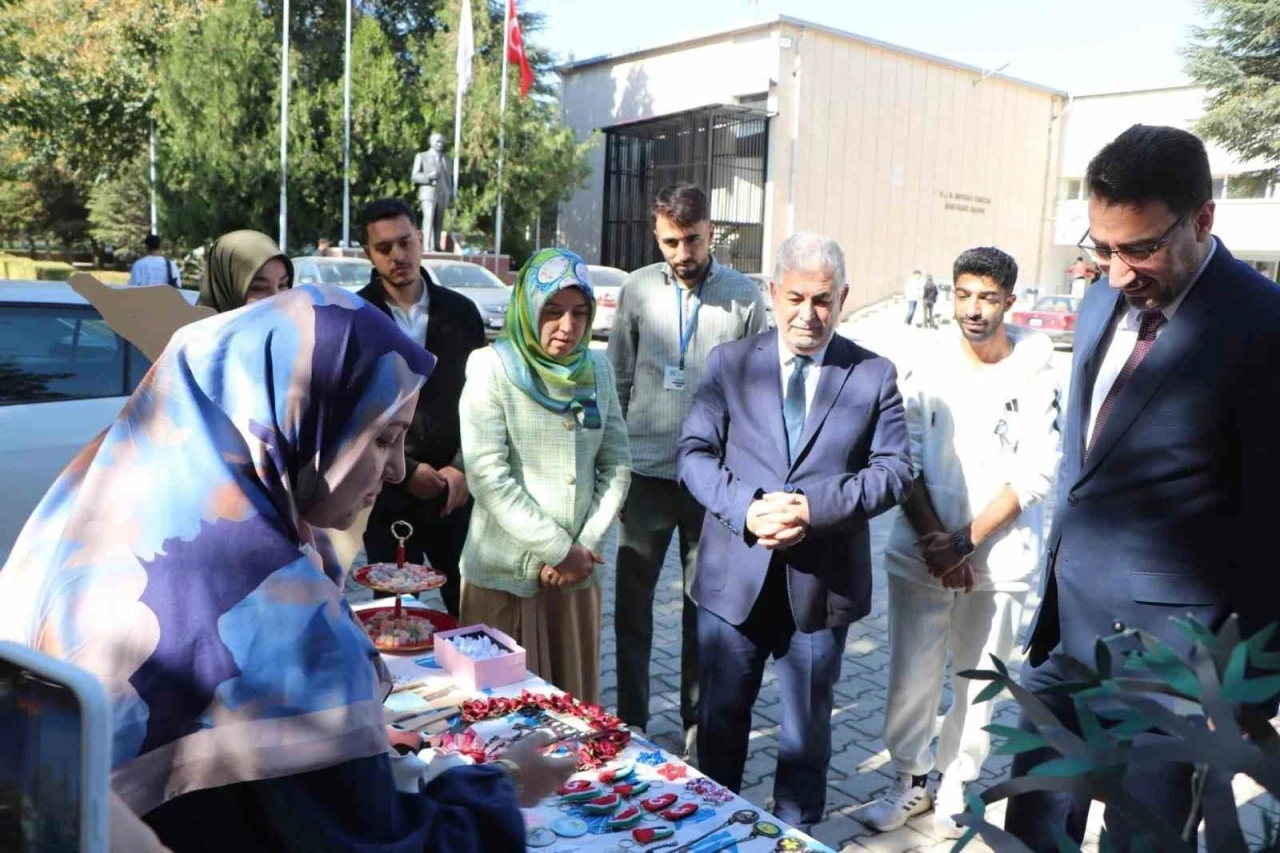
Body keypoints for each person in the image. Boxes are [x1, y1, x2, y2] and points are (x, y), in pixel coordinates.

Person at [0, 285, 575, 853]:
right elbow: (390, 844)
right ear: (305, 419)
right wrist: (503, 787)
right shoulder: (281, 619)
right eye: (382, 438)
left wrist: (340, 756)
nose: (398, 470)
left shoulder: (81, 515)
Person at [1004, 125, 1280, 852]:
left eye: (1140, 248)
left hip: (1176, 671)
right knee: (1031, 826)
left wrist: (1246, 686)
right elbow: (1085, 463)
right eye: (1102, 247)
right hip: (1066, 638)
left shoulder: (1264, 326)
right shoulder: (1099, 302)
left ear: (1203, 219)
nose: (1118, 273)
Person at [677, 232, 913, 831]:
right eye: (796, 298)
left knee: (807, 732)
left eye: (823, 300)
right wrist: (747, 509)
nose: (808, 314)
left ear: (843, 298)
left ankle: (795, 834)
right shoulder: (730, 364)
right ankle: (713, 827)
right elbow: (694, 455)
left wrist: (811, 508)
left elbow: (894, 473)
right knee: (721, 722)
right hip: (734, 581)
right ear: (773, 291)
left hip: (820, 588)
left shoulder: (873, 375)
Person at [863, 247, 1061, 838]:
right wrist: (938, 543)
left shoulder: (1035, 367)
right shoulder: (928, 362)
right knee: (910, 679)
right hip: (922, 554)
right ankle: (909, 780)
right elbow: (902, 458)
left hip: (999, 562)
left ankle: (954, 784)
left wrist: (964, 544)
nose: (974, 309)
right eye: (964, 294)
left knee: (979, 683)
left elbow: (1036, 472)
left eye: (988, 298)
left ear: (1009, 301)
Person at [608, 183, 768, 757]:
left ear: (711, 232)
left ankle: (697, 724)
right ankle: (631, 719)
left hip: (712, 483)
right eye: (671, 242)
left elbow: (756, 396)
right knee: (632, 609)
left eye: (693, 240)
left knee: (704, 610)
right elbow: (617, 379)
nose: (682, 253)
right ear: (657, 236)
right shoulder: (637, 289)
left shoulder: (743, 298)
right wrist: (615, 467)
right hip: (645, 474)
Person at [457, 248, 631, 704]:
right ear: (527, 307)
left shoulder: (596, 368)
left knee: (571, 706)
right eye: (552, 311)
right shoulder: (491, 367)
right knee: (502, 713)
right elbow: (487, 476)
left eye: (580, 312)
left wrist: (583, 547)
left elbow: (616, 463)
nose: (567, 326)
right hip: (505, 578)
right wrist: (557, 549)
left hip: (574, 580)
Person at [357, 199, 486, 618]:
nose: (398, 255)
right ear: (368, 254)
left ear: (420, 239)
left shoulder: (462, 313)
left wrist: (463, 467)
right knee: (396, 620)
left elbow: (484, 400)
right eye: (384, 248)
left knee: (470, 616)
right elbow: (351, 415)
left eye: (405, 242)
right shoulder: (355, 318)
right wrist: (406, 471)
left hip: (455, 494)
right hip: (388, 494)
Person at [196, 230, 293, 313]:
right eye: (259, 288)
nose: (277, 299)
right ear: (224, 286)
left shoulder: (292, 327)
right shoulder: (195, 329)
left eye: (282, 285)